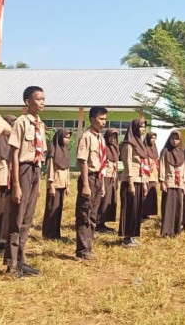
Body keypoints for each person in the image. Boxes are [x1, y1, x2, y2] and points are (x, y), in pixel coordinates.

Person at [4, 86, 47, 278]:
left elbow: (40, 153)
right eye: (38, 99)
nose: (42, 102)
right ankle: (11, 264)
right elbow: (13, 154)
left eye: (43, 99)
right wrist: (17, 185)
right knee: (17, 218)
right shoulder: (21, 123)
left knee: (28, 220)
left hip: (35, 170)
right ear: (27, 102)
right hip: (22, 170)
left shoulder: (40, 124)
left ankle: (21, 261)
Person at [75, 106, 107, 261]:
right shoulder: (86, 137)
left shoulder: (100, 138)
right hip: (89, 178)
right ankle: (81, 250)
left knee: (93, 214)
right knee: (84, 213)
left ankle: (88, 247)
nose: (103, 122)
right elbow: (83, 161)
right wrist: (86, 184)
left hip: (98, 178)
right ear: (92, 119)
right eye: (101, 119)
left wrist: (102, 185)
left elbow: (102, 162)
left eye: (105, 119)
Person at [118, 118, 148, 247]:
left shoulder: (140, 143)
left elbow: (143, 164)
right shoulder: (128, 144)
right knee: (129, 209)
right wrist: (131, 183)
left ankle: (132, 235)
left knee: (136, 209)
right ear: (135, 128)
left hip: (140, 180)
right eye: (141, 127)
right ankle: (126, 237)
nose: (143, 129)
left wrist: (145, 182)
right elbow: (128, 163)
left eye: (144, 127)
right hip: (131, 180)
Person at [0, 115, 16, 253]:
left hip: (8, 181)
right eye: (12, 123)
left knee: (6, 213)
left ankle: (2, 241)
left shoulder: (10, 142)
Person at [42, 128, 72, 239]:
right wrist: (51, 185)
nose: (67, 140)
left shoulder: (65, 151)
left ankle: (56, 233)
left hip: (62, 184)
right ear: (59, 137)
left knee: (58, 209)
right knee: (51, 208)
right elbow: (50, 169)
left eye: (68, 138)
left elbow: (67, 168)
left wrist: (68, 185)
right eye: (65, 137)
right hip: (55, 184)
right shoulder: (53, 150)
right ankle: (48, 233)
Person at [159, 130, 185, 237]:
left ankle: (176, 231)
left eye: (177, 139)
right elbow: (161, 166)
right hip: (169, 183)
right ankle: (166, 231)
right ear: (169, 139)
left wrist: (183, 184)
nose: (175, 141)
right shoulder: (165, 151)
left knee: (178, 207)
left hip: (179, 184)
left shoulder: (182, 153)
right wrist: (162, 182)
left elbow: (183, 169)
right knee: (168, 207)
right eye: (173, 139)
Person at [96, 128, 119, 233]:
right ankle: (98, 223)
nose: (113, 139)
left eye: (115, 137)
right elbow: (102, 164)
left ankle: (103, 222)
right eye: (111, 136)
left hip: (112, 177)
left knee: (110, 200)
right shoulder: (104, 147)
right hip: (105, 177)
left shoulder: (115, 148)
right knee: (103, 200)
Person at [142, 132, 159, 220]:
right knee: (145, 194)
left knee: (152, 195)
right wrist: (145, 176)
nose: (153, 140)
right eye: (152, 138)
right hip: (147, 176)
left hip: (154, 176)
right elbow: (144, 163)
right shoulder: (144, 148)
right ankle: (143, 213)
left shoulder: (154, 149)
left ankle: (149, 212)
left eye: (155, 138)